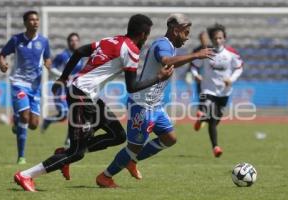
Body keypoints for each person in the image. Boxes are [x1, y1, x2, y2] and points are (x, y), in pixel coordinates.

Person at [13, 14, 173, 192]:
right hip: (82, 95)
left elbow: (79, 51)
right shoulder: (132, 50)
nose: (146, 38)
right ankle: (26, 175)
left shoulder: (111, 40)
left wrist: (63, 78)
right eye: (147, 34)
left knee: (118, 135)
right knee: (76, 153)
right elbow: (132, 86)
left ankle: (64, 154)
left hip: (89, 96)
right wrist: (158, 77)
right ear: (143, 34)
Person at [96, 13, 214, 188]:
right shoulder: (162, 45)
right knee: (134, 147)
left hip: (155, 105)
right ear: (176, 30)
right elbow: (166, 61)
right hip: (141, 105)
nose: (187, 37)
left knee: (170, 138)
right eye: (186, 33)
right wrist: (195, 55)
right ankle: (105, 176)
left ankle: (132, 161)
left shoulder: (171, 46)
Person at [0, 10, 51, 164]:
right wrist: (2, 64)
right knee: (25, 118)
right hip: (19, 83)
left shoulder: (44, 41)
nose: (35, 22)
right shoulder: (16, 40)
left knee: (34, 124)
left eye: (37, 20)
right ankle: (21, 156)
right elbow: (1, 55)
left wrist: (49, 65)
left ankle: (16, 119)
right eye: (32, 20)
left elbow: (47, 58)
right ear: (26, 23)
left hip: (35, 87)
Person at [191, 23, 243, 157]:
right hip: (208, 90)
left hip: (224, 92)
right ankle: (216, 147)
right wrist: (196, 76)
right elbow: (194, 66)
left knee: (215, 119)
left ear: (224, 38)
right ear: (211, 39)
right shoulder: (206, 52)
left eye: (220, 38)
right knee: (211, 115)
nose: (218, 41)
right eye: (215, 38)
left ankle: (202, 120)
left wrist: (231, 79)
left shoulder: (231, 53)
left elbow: (239, 68)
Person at [41, 33, 84, 147]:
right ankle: (48, 120)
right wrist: (63, 75)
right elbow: (51, 67)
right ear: (68, 42)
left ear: (79, 42)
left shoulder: (80, 56)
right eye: (71, 40)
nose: (74, 42)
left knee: (74, 113)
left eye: (76, 40)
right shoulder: (63, 56)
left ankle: (69, 139)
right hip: (61, 89)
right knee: (64, 114)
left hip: (74, 89)